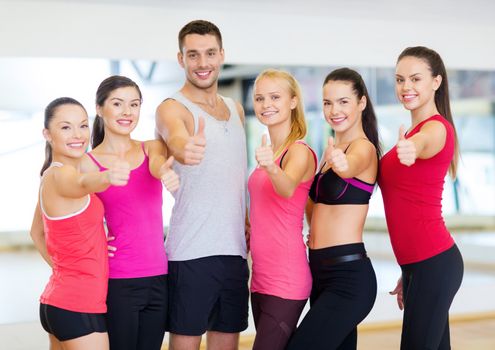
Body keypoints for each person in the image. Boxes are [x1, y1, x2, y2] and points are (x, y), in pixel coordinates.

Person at [155, 20, 249, 350]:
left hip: (235, 253)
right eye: (193, 55)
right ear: (181, 59)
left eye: (210, 53)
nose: (203, 63)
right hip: (191, 253)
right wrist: (185, 147)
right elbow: (176, 137)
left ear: (222, 54)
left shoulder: (235, 109)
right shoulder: (172, 108)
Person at [81, 75, 179, 350]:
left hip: (160, 278)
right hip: (119, 281)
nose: (127, 112)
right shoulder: (88, 164)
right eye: (118, 104)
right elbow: (73, 221)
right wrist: (97, 245)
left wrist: (165, 172)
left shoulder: (152, 147)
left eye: (134, 104)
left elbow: (157, 164)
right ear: (100, 108)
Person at [287, 68, 380, 350]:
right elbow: (316, 204)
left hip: (349, 277)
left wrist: (341, 164)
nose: (334, 110)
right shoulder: (331, 154)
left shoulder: (362, 149)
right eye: (327, 103)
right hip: (321, 272)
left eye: (343, 102)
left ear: (361, 102)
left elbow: (351, 165)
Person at [379, 46, 464, 350]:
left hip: (434, 263)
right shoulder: (417, 129)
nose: (406, 87)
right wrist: (408, 272)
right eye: (400, 80)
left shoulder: (435, 130)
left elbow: (423, 143)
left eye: (415, 79)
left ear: (436, 82)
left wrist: (410, 148)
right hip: (421, 266)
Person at [30, 97, 130, 350]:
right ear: (47, 133)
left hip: (58, 301)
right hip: (78, 306)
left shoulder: (49, 175)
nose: (78, 134)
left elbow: (36, 232)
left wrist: (74, 263)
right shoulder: (63, 175)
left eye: (83, 125)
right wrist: (108, 176)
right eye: (65, 127)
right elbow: (82, 184)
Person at [248, 69, 316, 350]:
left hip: (286, 279)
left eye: (275, 97)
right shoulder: (269, 151)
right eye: (260, 98)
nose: (267, 105)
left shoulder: (298, 151)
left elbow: (286, 187)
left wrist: (270, 167)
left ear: (292, 101)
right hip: (260, 278)